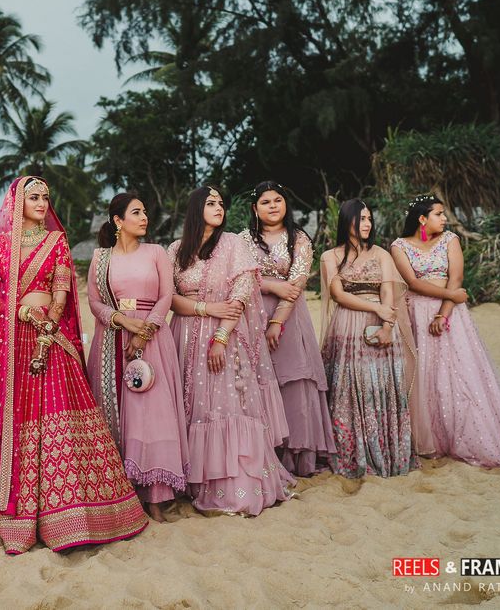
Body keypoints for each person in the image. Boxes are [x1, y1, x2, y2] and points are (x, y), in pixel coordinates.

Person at [0, 176, 148, 554]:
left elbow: (63, 288)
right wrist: (21, 311)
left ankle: (70, 515)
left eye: (45, 197)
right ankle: (7, 509)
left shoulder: (57, 241)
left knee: (60, 412)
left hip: (48, 337)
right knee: (5, 416)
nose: (40, 202)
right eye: (33, 196)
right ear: (17, 202)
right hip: (10, 339)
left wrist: (50, 320)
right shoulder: (1, 244)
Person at [169, 186, 294, 515]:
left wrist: (221, 337)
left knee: (224, 407)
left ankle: (233, 487)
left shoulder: (233, 245)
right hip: (183, 338)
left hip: (224, 338)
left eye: (222, 203)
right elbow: (170, 298)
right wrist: (206, 309)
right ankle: (193, 482)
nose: (219, 208)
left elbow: (240, 295)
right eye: (211, 203)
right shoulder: (176, 250)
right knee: (191, 406)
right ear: (196, 209)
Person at [391, 194, 500, 467]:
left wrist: (445, 312)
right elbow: (412, 282)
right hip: (416, 312)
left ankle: (468, 434)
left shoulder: (450, 240)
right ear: (422, 219)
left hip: (449, 313)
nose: (445, 218)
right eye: (439, 213)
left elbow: (457, 278)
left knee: (459, 373)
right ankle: (429, 438)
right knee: (424, 374)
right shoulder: (399, 246)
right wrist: (454, 295)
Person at [86, 192, 188, 523]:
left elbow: (166, 294)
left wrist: (145, 330)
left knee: (152, 413)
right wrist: (123, 322)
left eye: (145, 211)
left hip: (153, 338)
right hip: (112, 338)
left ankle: (156, 496)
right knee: (120, 412)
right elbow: (94, 301)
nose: (144, 217)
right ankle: (123, 491)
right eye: (136, 212)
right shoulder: (101, 258)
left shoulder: (156, 252)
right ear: (118, 221)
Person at [241, 181, 335, 477]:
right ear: (255, 209)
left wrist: (277, 323)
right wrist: (270, 284)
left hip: (289, 319)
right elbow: (241, 278)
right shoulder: (243, 240)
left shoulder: (299, 238)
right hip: (252, 314)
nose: (272, 206)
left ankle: (297, 456)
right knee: (258, 380)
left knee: (294, 380)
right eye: (265, 202)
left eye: (278, 200)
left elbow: (295, 286)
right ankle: (267, 452)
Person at [320, 199, 416, 479]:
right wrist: (376, 308)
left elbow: (388, 291)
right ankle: (353, 452)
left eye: (369, 219)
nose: (366, 224)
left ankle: (386, 452)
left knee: (383, 387)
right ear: (346, 221)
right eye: (361, 218)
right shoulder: (330, 256)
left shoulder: (382, 254)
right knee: (350, 386)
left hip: (383, 324)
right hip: (348, 325)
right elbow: (339, 294)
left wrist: (387, 326)